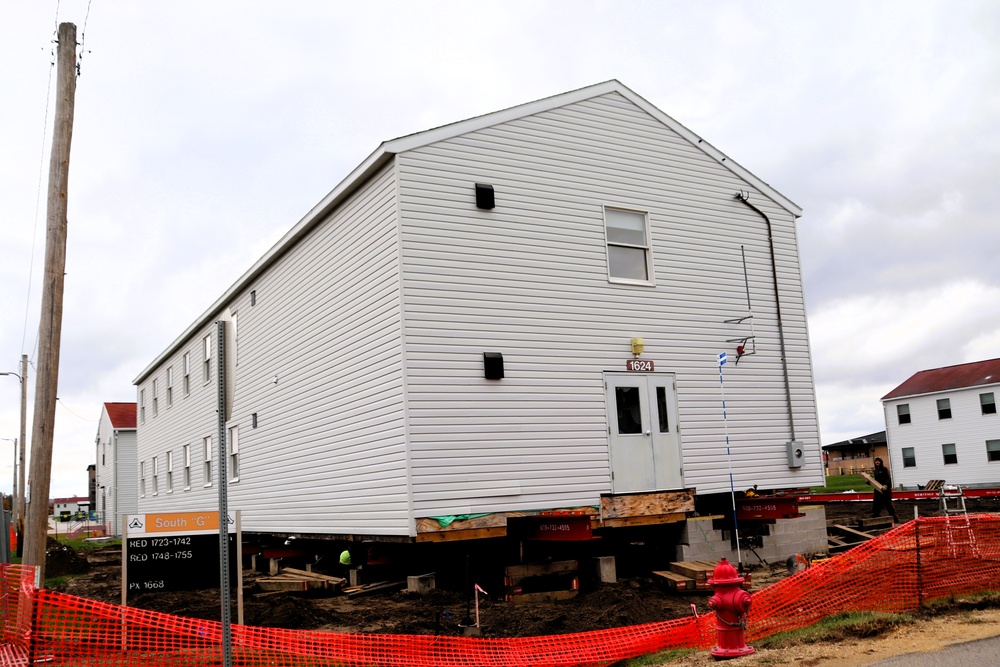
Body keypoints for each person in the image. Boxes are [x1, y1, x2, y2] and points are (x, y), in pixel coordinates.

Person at [870, 457, 899, 522]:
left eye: (878, 461)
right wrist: (869, 482)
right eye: (876, 461)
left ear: (881, 462)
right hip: (878, 489)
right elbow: (875, 480)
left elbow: (888, 478)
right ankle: (876, 514)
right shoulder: (875, 471)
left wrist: (886, 485)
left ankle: (894, 517)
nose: (877, 462)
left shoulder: (884, 469)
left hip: (885, 490)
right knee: (877, 502)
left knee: (888, 503)